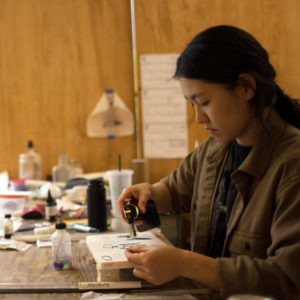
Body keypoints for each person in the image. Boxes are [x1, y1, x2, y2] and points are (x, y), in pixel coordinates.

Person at [117, 25, 300, 299]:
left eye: (203, 102)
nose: (198, 118)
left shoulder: (292, 165)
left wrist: (183, 263)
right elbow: (177, 189)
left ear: (246, 87)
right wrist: (150, 193)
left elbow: (287, 280)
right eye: (191, 104)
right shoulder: (216, 148)